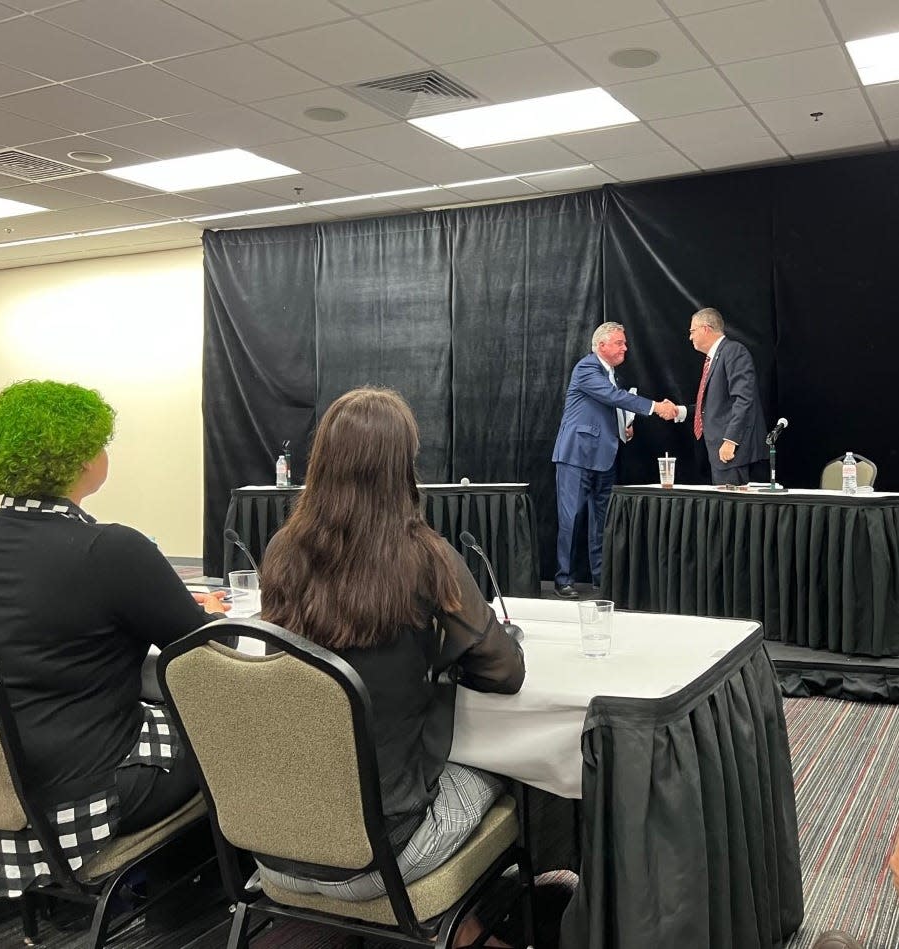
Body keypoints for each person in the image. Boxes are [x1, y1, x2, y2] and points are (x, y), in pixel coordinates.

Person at [258, 386, 525, 907]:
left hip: (274, 847)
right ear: (402, 467)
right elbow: (504, 673)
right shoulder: (428, 557)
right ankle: (492, 910)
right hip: (380, 855)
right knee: (506, 769)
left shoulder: (282, 551)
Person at [0, 380, 227, 899]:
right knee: (219, 729)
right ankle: (197, 898)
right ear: (83, 459)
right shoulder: (111, 550)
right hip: (76, 813)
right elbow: (207, 657)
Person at [552, 322, 677, 599]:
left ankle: (600, 578)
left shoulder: (613, 376)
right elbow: (611, 397)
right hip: (576, 457)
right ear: (601, 346)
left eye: (624, 342)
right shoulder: (587, 368)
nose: (625, 347)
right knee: (571, 519)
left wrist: (624, 427)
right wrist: (656, 407)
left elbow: (611, 405)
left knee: (602, 520)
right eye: (619, 343)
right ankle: (563, 579)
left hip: (605, 457)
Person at [674, 307, 768, 485]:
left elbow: (743, 399)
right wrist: (680, 411)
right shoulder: (715, 357)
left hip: (733, 452)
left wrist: (731, 440)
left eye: (692, 331)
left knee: (734, 509)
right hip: (718, 452)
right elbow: (713, 405)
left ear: (706, 329)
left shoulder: (733, 351)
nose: (690, 337)